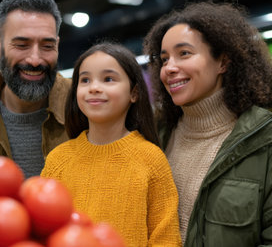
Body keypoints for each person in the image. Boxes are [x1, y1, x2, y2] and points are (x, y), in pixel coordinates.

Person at [143, 1, 272, 247]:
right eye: (164, 58)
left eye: (184, 53)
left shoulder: (270, 142)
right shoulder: (157, 134)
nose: (169, 68)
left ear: (223, 62)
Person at [40, 42, 182, 246]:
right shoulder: (58, 160)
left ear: (134, 93)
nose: (94, 88)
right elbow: (43, 229)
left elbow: (166, 239)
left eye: (108, 79)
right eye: (85, 80)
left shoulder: (151, 159)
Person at [0, 0, 71, 178]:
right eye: (21, 45)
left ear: (57, 45)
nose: (35, 60)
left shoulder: (86, 106)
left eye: (47, 46)